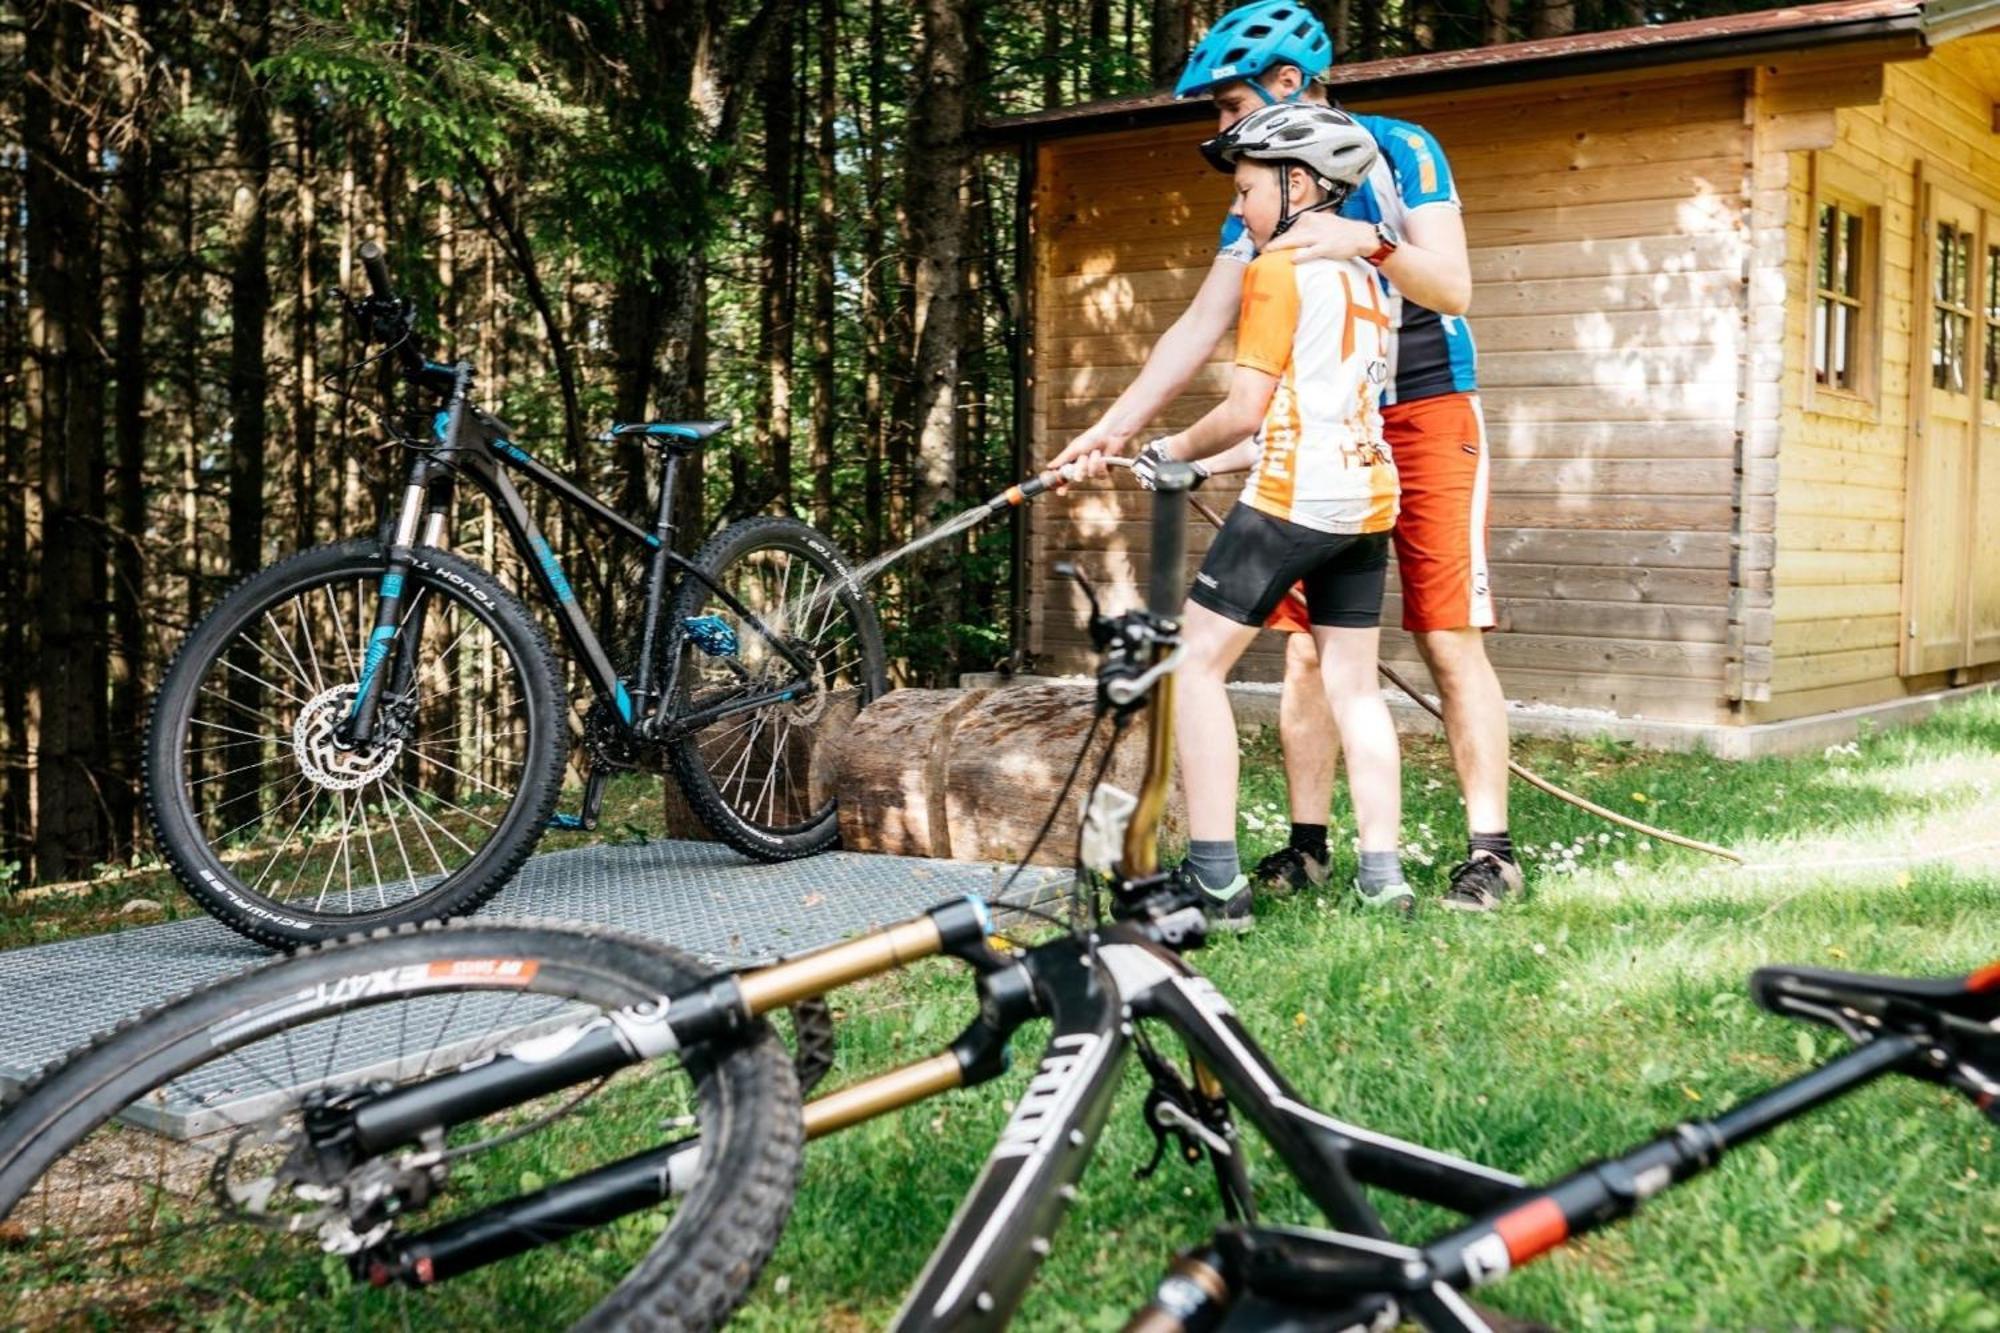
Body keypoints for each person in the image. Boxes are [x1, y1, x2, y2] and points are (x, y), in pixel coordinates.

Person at [1049, 0, 1523, 914]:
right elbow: (1199, 325)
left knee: (1444, 634)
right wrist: (1112, 429)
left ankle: (1490, 853)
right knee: (1313, 649)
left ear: (1288, 85)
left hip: (1424, 404)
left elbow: (1454, 286)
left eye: (1229, 108)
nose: (1223, 132)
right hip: (1322, 427)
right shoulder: (1260, 196)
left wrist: (1368, 241)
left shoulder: (1403, 148)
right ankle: (1311, 848)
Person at [1124, 102, 1408, 931]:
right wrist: (1202, 465)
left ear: (1298, 183)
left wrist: (1171, 445)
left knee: (1192, 666)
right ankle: (1383, 879)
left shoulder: (1279, 270)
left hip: (1291, 503)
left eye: (1247, 190)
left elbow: (1248, 409)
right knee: (1353, 685)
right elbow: (1313, 412)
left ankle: (1215, 879)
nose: (1240, 209)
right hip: (1364, 502)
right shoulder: (1368, 277)